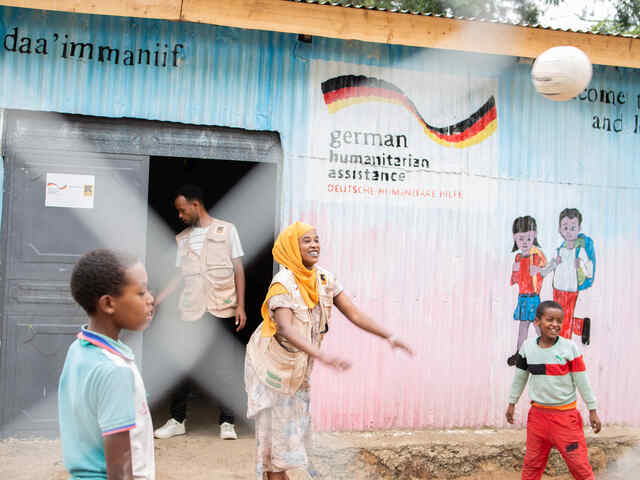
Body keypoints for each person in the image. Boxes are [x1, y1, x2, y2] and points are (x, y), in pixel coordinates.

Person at [244, 222, 414, 480]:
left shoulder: (323, 278)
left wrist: (389, 336)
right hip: (270, 369)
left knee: (288, 436)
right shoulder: (283, 284)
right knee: (276, 441)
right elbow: (287, 329)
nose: (314, 245)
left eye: (316, 239)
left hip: (297, 369)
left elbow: (354, 313)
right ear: (292, 247)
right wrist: (322, 355)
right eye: (306, 241)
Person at [153, 184, 247, 441]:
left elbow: (238, 269)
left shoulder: (227, 230)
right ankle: (177, 420)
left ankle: (227, 423)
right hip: (191, 309)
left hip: (221, 307)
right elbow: (178, 275)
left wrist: (241, 306)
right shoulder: (182, 239)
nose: (180, 216)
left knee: (225, 367)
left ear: (196, 205)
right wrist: (158, 299)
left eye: (182, 211)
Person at [58, 249, 155, 480]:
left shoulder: (79, 350)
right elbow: (120, 471)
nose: (150, 298)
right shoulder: (115, 371)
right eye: (141, 292)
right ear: (109, 303)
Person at [505, 300, 602, 480]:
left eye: (559, 321)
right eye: (550, 320)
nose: (555, 325)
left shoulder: (569, 348)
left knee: (579, 465)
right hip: (537, 419)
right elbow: (520, 378)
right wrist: (512, 403)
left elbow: (582, 381)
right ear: (537, 321)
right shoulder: (527, 348)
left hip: (565, 419)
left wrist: (592, 410)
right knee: (532, 466)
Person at [542, 208, 595, 345]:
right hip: (557, 288)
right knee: (560, 317)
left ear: (579, 229)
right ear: (560, 229)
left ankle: (563, 346)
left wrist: (581, 265)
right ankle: (582, 326)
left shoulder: (580, 250)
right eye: (565, 227)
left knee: (563, 318)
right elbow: (545, 271)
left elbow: (589, 272)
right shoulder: (559, 249)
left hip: (571, 289)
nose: (569, 231)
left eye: (573, 227)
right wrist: (554, 263)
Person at [508, 215, 547, 366]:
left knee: (538, 326)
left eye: (528, 239)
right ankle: (519, 353)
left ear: (534, 235)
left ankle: (546, 353)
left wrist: (538, 270)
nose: (524, 243)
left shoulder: (536, 256)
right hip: (522, 297)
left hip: (533, 297)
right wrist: (515, 271)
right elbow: (514, 281)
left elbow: (544, 270)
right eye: (520, 239)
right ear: (515, 238)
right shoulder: (518, 258)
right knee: (523, 326)